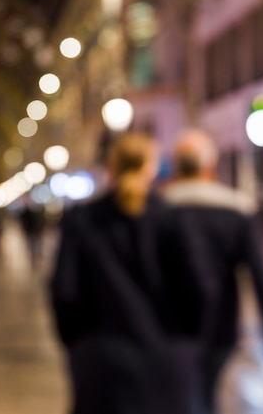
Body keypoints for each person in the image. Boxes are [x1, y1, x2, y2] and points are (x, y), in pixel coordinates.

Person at [48, 132, 203, 414]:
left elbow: (64, 293)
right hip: (166, 362)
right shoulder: (175, 219)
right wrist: (185, 342)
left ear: (110, 166)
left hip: (101, 363)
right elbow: (199, 291)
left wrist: (79, 346)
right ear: (152, 167)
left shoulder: (82, 221)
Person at [163, 128, 263, 414]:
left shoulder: (160, 208)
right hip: (221, 327)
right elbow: (262, 280)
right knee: (205, 394)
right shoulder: (236, 209)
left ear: (175, 164)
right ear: (211, 164)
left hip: (169, 329)